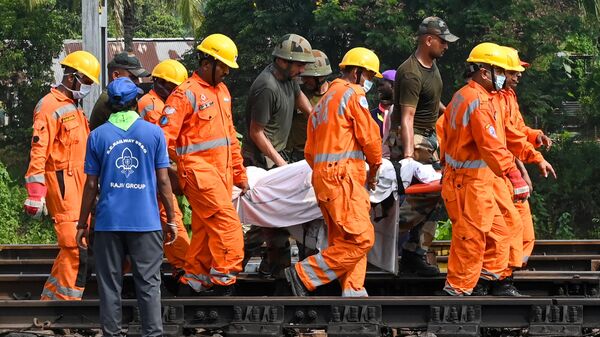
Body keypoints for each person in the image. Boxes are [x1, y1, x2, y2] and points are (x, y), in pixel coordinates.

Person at [439, 42, 554, 296]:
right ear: (483, 71)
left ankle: (485, 281)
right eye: (501, 72)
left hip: (475, 179)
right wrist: (514, 172)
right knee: (472, 236)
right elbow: (492, 145)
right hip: (469, 182)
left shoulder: (468, 97)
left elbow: (507, 134)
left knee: (499, 232)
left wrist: (532, 152)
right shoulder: (477, 101)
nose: (508, 77)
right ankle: (460, 291)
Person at [75, 77, 176, 336]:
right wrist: (172, 219)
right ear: (134, 102)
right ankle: (152, 334)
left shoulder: (97, 136)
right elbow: (163, 181)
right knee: (149, 285)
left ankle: (111, 334)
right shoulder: (154, 133)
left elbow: (90, 186)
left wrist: (82, 223)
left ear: (110, 104)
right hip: (146, 222)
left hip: (109, 223)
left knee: (110, 285)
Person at [285, 47, 383, 297]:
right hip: (344, 179)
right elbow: (370, 138)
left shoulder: (322, 103)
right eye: (370, 76)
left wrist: (325, 173)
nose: (370, 82)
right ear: (358, 72)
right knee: (362, 238)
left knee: (346, 240)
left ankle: (352, 290)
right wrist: (375, 168)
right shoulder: (352, 94)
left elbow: (309, 152)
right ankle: (304, 274)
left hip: (326, 180)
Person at [159, 34, 248, 296]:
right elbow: (163, 140)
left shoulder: (222, 92)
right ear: (207, 62)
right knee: (228, 226)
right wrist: (178, 169)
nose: (227, 73)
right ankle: (224, 280)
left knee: (204, 230)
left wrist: (239, 173)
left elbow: (230, 137)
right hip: (200, 175)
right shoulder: (184, 94)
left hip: (220, 176)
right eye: (224, 67)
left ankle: (193, 280)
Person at [24, 50, 100, 300]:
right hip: (63, 184)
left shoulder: (73, 107)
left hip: (78, 186)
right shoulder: (49, 106)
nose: (88, 87)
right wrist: (36, 193)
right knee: (76, 247)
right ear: (71, 78)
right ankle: (66, 305)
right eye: (86, 82)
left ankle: (50, 300)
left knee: (74, 245)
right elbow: (39, 150)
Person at [388, 17, 459, 276]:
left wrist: (454, 114)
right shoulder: (411, 72)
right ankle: (376, 235)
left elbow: (435, 101)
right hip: (414, 140)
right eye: (442, 41)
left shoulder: (433, 66)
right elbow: (406, 116)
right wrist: (408, 158)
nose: (446, 46)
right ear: (428, 40)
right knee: (425, 196)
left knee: (436, 198)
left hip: (429, 139)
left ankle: (413, 253)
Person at [243, 33, 316, 281]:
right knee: (269, 218)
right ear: (283, 61)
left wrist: (320, 119)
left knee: (276, 217)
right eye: (300, 64)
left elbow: (300, 99)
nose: (303, 69)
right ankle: (234, 260)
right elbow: (256, 132)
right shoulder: (267, 86)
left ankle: (274, 268)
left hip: (277, 156)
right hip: (261, 159)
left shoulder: (288, 78)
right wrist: (283, 165)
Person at [500, 47, 552, 266]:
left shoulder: (509, 96)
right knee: (510, 226)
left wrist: (536, 136)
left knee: (524, 231)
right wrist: (536, 158)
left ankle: (513, 270)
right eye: (513, 71)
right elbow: (510, 136)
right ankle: (506, 272)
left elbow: (518, 128)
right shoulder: (493, 100)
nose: (518, 75)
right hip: (498, 171)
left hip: (510, 168)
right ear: (498, 72)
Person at [137, 59, 190, 273]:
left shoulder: (161, 104)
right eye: (173, 87)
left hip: (154, 174)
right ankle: (184, 267)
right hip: (154, 176)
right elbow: (161, 147)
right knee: (171, 218)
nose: (176, 92)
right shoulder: (153, 106)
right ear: (159, 83)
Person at [285, 49, 333, 163]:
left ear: (320, 77)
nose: (303, 80)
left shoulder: (335, 94)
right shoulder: (298, 94)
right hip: (298, 154)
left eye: (307, 77)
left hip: (326, 153)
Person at [89, 52, 150, 131]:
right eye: (133, 77)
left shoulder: (120, 96)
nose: (137, 82)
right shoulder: (111, 99)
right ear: (116, 76)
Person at [370, 69, 395, 159]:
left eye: (382, 85)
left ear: (393, 86)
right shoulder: (370, 115)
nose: (378, 88)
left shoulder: (403, 115)